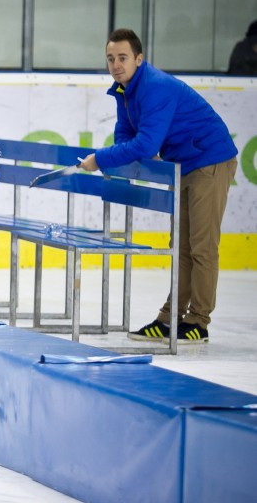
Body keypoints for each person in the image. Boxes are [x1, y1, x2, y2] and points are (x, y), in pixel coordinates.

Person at [79, 28, 238, 344]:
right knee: (181, 245)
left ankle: (199, 322)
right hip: (183, 165)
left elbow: (145, 143)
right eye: (110, 58)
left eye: (122, 57)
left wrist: (100, 159)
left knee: (202, 246)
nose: (116, 64)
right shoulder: (124, 92)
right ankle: (170, 319)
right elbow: (126, 136)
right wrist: (119, 155)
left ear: (139, 58)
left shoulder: (155, 87)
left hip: (210, 160)